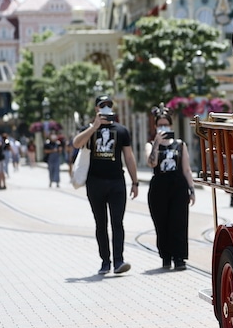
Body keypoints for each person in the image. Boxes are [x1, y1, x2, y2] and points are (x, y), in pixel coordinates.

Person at [72, 95, 139, 276]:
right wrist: (94, 127)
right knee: (100, 223)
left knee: (118, 222)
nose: (107, 108)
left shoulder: (122, 130)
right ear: (97, 109)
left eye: (109, 105)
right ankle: (105, 261)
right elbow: (76, 143)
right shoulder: (89, 129)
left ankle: (119, 260)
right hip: (95, 183)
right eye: (103, 105)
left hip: (117, 182)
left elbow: (129, 157)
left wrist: (135, 181)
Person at [145, 105, 195, 270]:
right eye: (160, 125)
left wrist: (191, 189)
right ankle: (165, 256)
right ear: (155, 127)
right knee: (162, 223)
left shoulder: (180, 145)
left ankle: (179, 257)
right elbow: (151, 162)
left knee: (179, 222)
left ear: (171, 125)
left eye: (166, 124)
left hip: (178, 186)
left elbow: (186, 169)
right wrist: (157, 144)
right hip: (159, 187)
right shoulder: (150, 144)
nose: (163, 127)